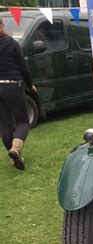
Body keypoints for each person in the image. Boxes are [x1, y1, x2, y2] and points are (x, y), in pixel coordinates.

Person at [0, 18, 36, 170]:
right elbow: (24, 67)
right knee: (22, 122)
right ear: (2, 25)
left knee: (4, 125)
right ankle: (16, 148)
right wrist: (29, 85)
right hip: (13, 85)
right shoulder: (11, 43)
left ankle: (16, 158)